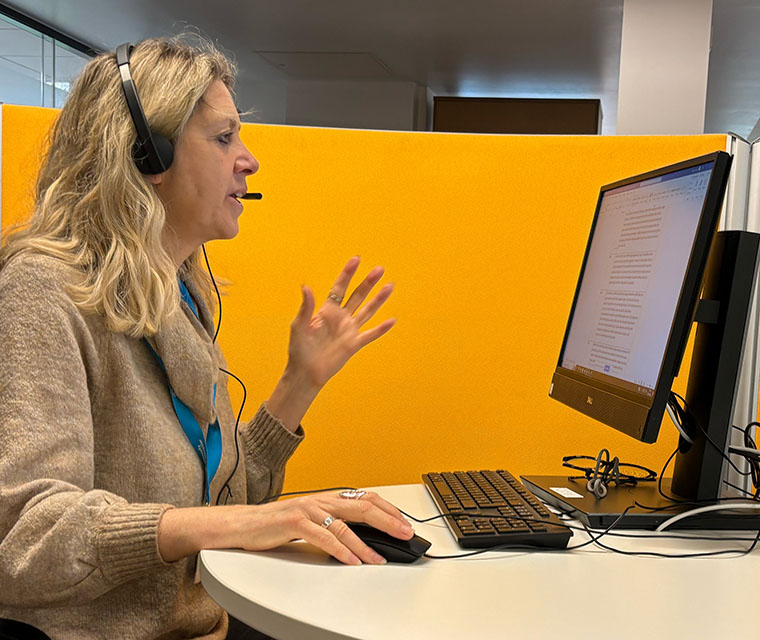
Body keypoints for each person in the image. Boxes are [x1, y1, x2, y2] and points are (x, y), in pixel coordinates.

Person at [0, 35, 412, 640]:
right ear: (147, 155)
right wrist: (212, 528)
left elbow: (225, 503)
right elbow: (20, 535)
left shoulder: (175, 294)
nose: (250, 160)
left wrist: (299, 384)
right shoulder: (43, 290)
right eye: (225, 138)